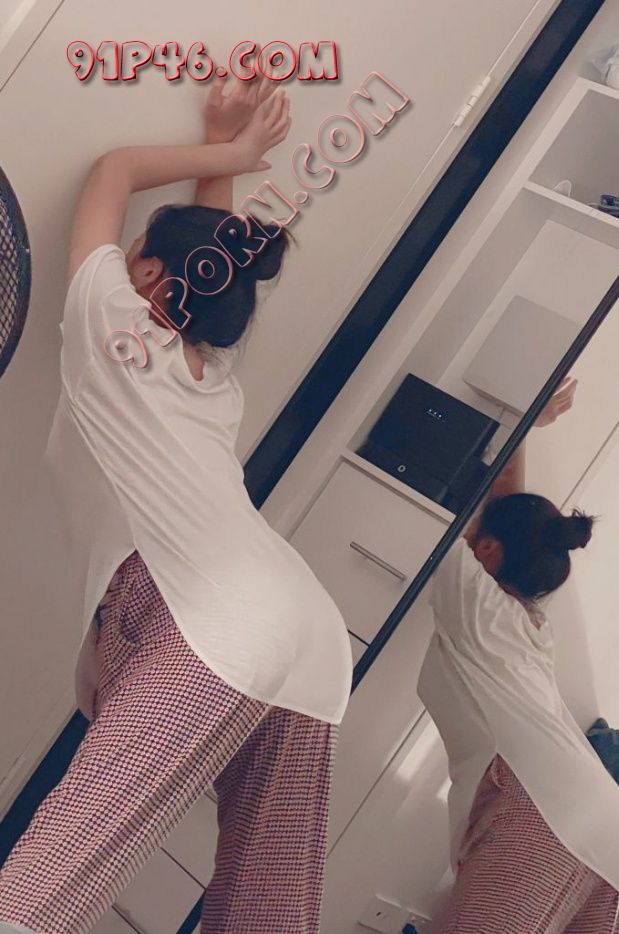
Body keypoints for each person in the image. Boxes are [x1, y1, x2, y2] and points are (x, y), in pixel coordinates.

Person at [0, 76, 352, 934]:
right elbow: (201, 256)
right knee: (266, 907)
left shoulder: (108, 322)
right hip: (308, 635)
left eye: (135, 254)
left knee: (53, 875)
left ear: (150, 277)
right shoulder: (211, 378)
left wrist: (232, 152)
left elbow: (113, 171)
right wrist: (224, 155)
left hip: (207, 623)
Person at [418, 378, 619, 934]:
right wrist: (523, 425)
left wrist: (525, 423)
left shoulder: (474, 602)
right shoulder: (528, 625)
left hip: (550, 819)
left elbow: (495, 513)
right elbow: (506, 514)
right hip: (608, 830)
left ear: (488, 550)